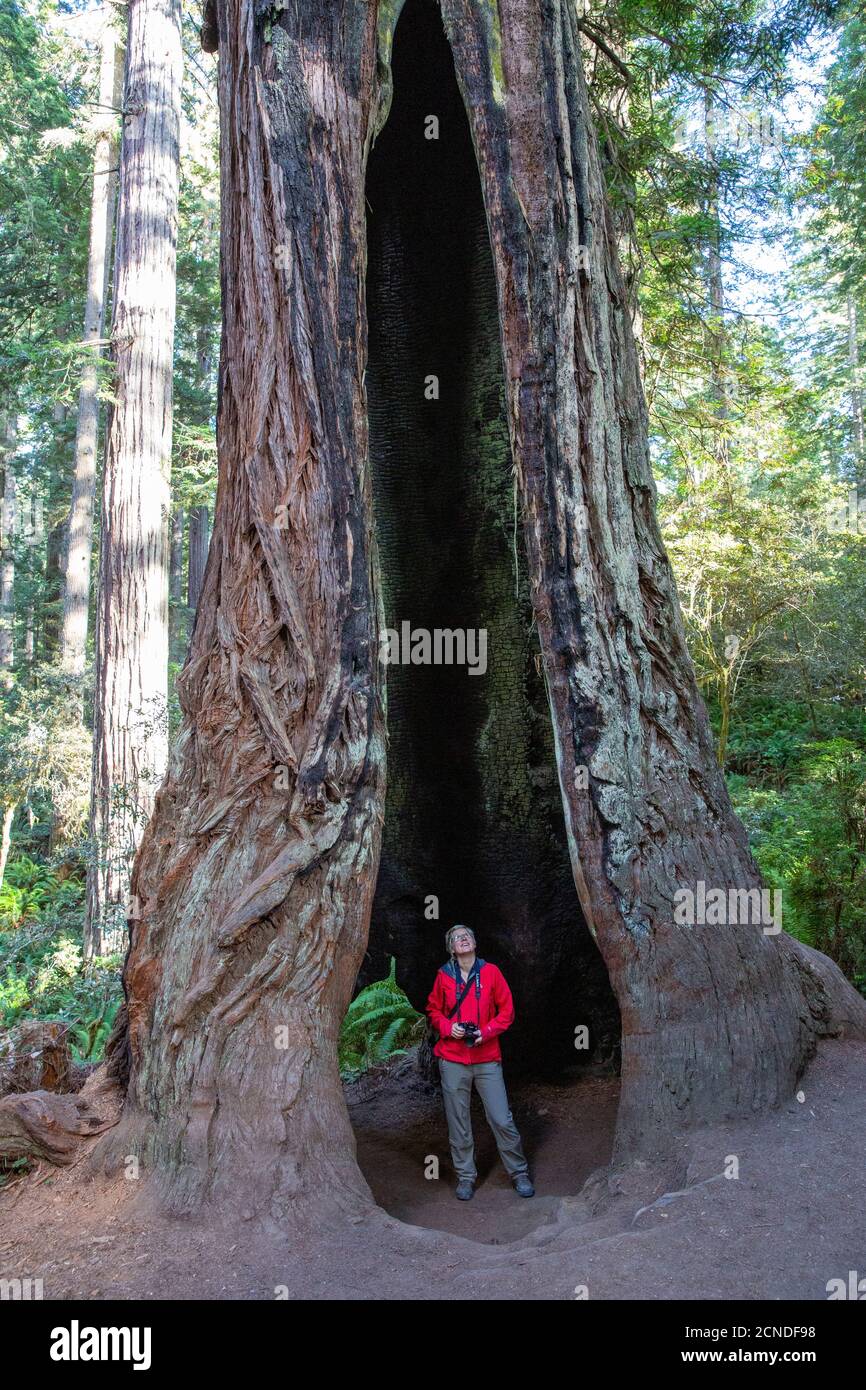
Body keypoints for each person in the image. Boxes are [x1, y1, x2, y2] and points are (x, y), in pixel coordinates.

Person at [426, 924, 534, 1201]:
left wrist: (484, 1032)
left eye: (467, 936)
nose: (462, 939)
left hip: (486, 1057)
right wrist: (449, 1027)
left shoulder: (491, 973)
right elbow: (433, 1010)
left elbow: (506, 1012)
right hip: (452, 1058)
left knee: (501, 1118)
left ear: (475, 942)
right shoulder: (444, 976)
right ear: (451, 948)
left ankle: (519, 1172)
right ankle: (466, 1176)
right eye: (456, 938)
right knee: (458, 1120)